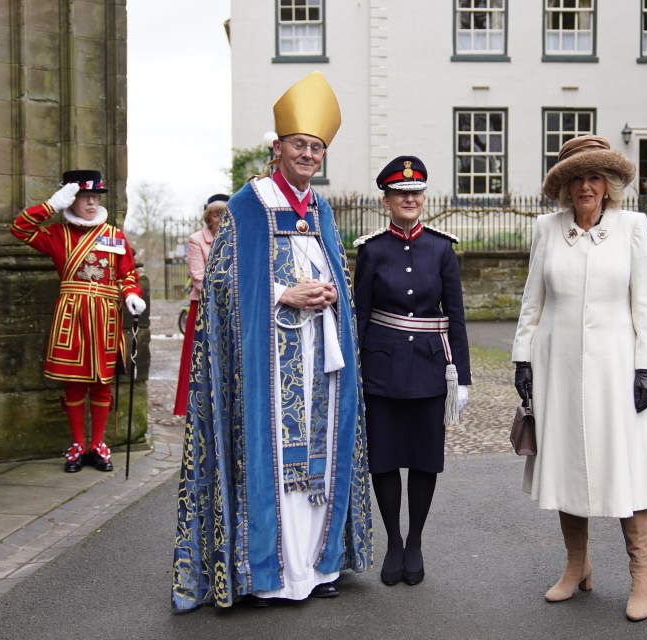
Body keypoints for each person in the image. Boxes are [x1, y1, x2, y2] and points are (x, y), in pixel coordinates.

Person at [171, 71, 372, 611]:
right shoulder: (248, 204)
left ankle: (316, 565)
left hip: (320, 359)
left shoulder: (321, 209)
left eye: (317, 148)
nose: (308, 155)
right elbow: (222, 283)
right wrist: (285, 293)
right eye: (300, 145)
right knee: (275, 463)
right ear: (278, 147)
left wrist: (331, 294)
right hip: (267, 361)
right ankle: (271, 575)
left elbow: (336, 274)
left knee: (319, 464)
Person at [512, 134, 647, 622]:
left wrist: (646, 366)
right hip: (558, 364)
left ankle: (642, 572)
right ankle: (577, 566)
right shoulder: (547, 229)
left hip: (617, 366)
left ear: (608, 183)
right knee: (568, 465)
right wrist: (522, 360)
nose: (586, 186)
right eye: (576, 177)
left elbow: (644, 303)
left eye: (594, 176)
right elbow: (533, 301)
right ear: (564, 186)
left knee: (625, 465)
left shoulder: (632, 227)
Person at [353, 156, 471, 587]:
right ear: (386, 200)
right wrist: (353, 371)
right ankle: (393, 542)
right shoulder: (372, 249)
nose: (409, 199)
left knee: (424, 460)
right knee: (383, 461)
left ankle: (416, 540)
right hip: (380, 371)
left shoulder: (441, 248)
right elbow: (359, 315)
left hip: (429, 370)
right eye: (401, 193)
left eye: (416, 192)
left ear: (424, 198)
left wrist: (463, 377)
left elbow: (455, 316)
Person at [10, 170, 145, 473]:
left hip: (106, 316)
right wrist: (50, 206)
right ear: (70, 200)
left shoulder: (114, 235)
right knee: (74, 384)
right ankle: (77, 444)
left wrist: (131, 294)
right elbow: (19, 228)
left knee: (101, 383)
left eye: (95, 196)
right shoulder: (57, 234)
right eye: (85, 197)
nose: (92, 202)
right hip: (72, 316)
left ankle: (97, 444)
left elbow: (126, 274)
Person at [172, 193, 227, 417]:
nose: (221, 219)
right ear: (208, 218)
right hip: (204, 306)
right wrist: (230, 290)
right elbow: (198, 277)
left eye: (225, 214)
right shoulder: (196, 240)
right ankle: (198, 404)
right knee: (200, 357)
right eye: (216, 214)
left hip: (231, 307)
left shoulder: (238, 239)